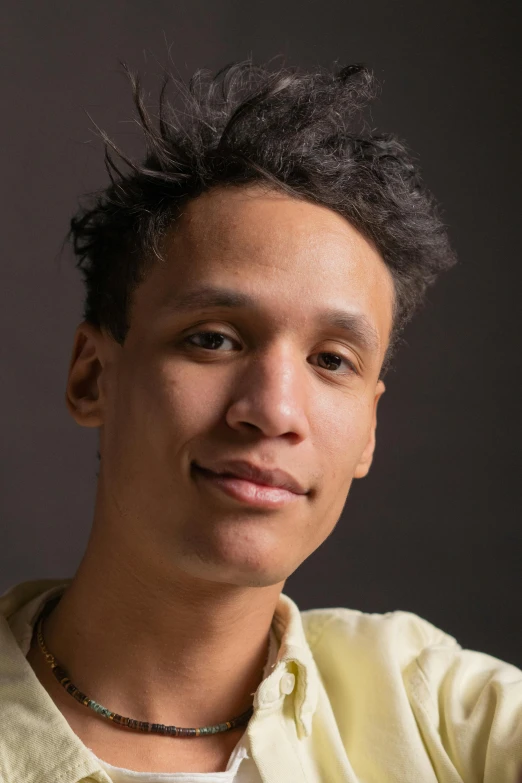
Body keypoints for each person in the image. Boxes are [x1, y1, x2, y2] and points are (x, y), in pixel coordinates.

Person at [0, 59, 520, 783]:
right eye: (213, 338)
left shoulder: (432, 710)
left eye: (332, 359)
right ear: (93, 375)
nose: (273, 410)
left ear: (369, 429)